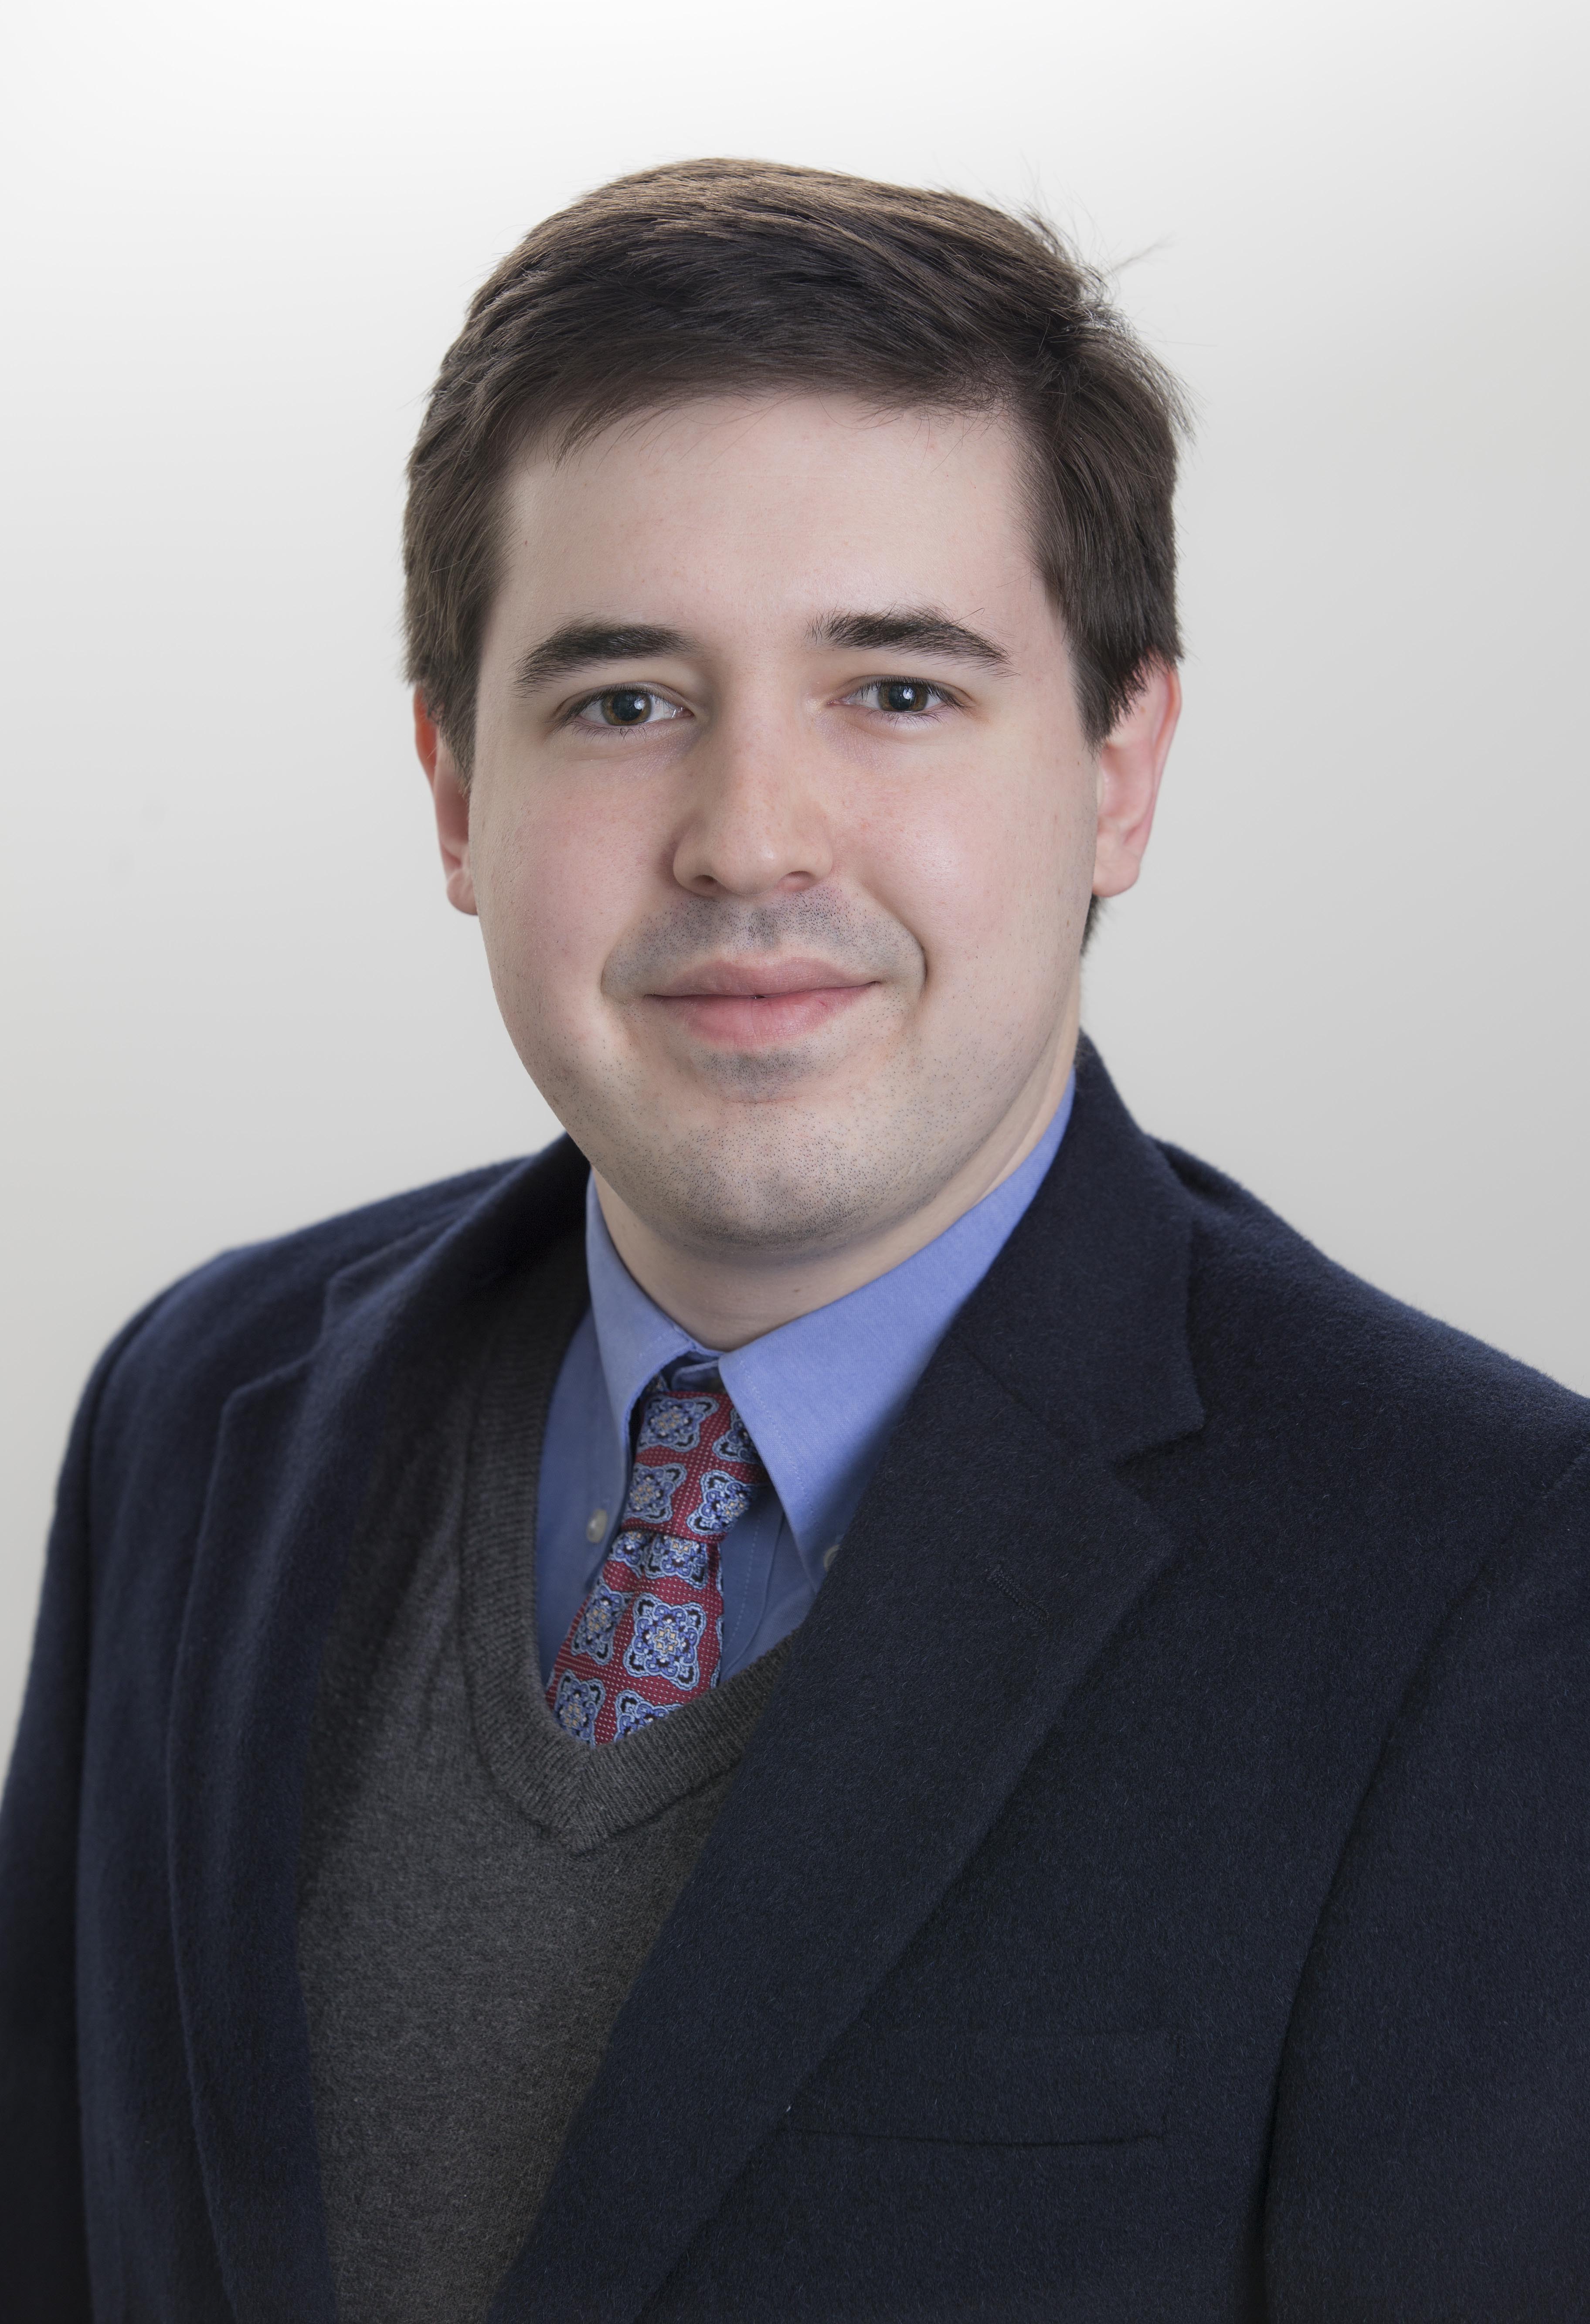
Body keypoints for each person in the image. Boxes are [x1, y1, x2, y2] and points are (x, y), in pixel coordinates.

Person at [2, 159, 1587, 2324]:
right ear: (457, 793)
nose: (751, 834)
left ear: (1122, 766)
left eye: (899, 690)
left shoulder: (1481, 1580)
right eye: (625, 699)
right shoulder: (198, 1408)